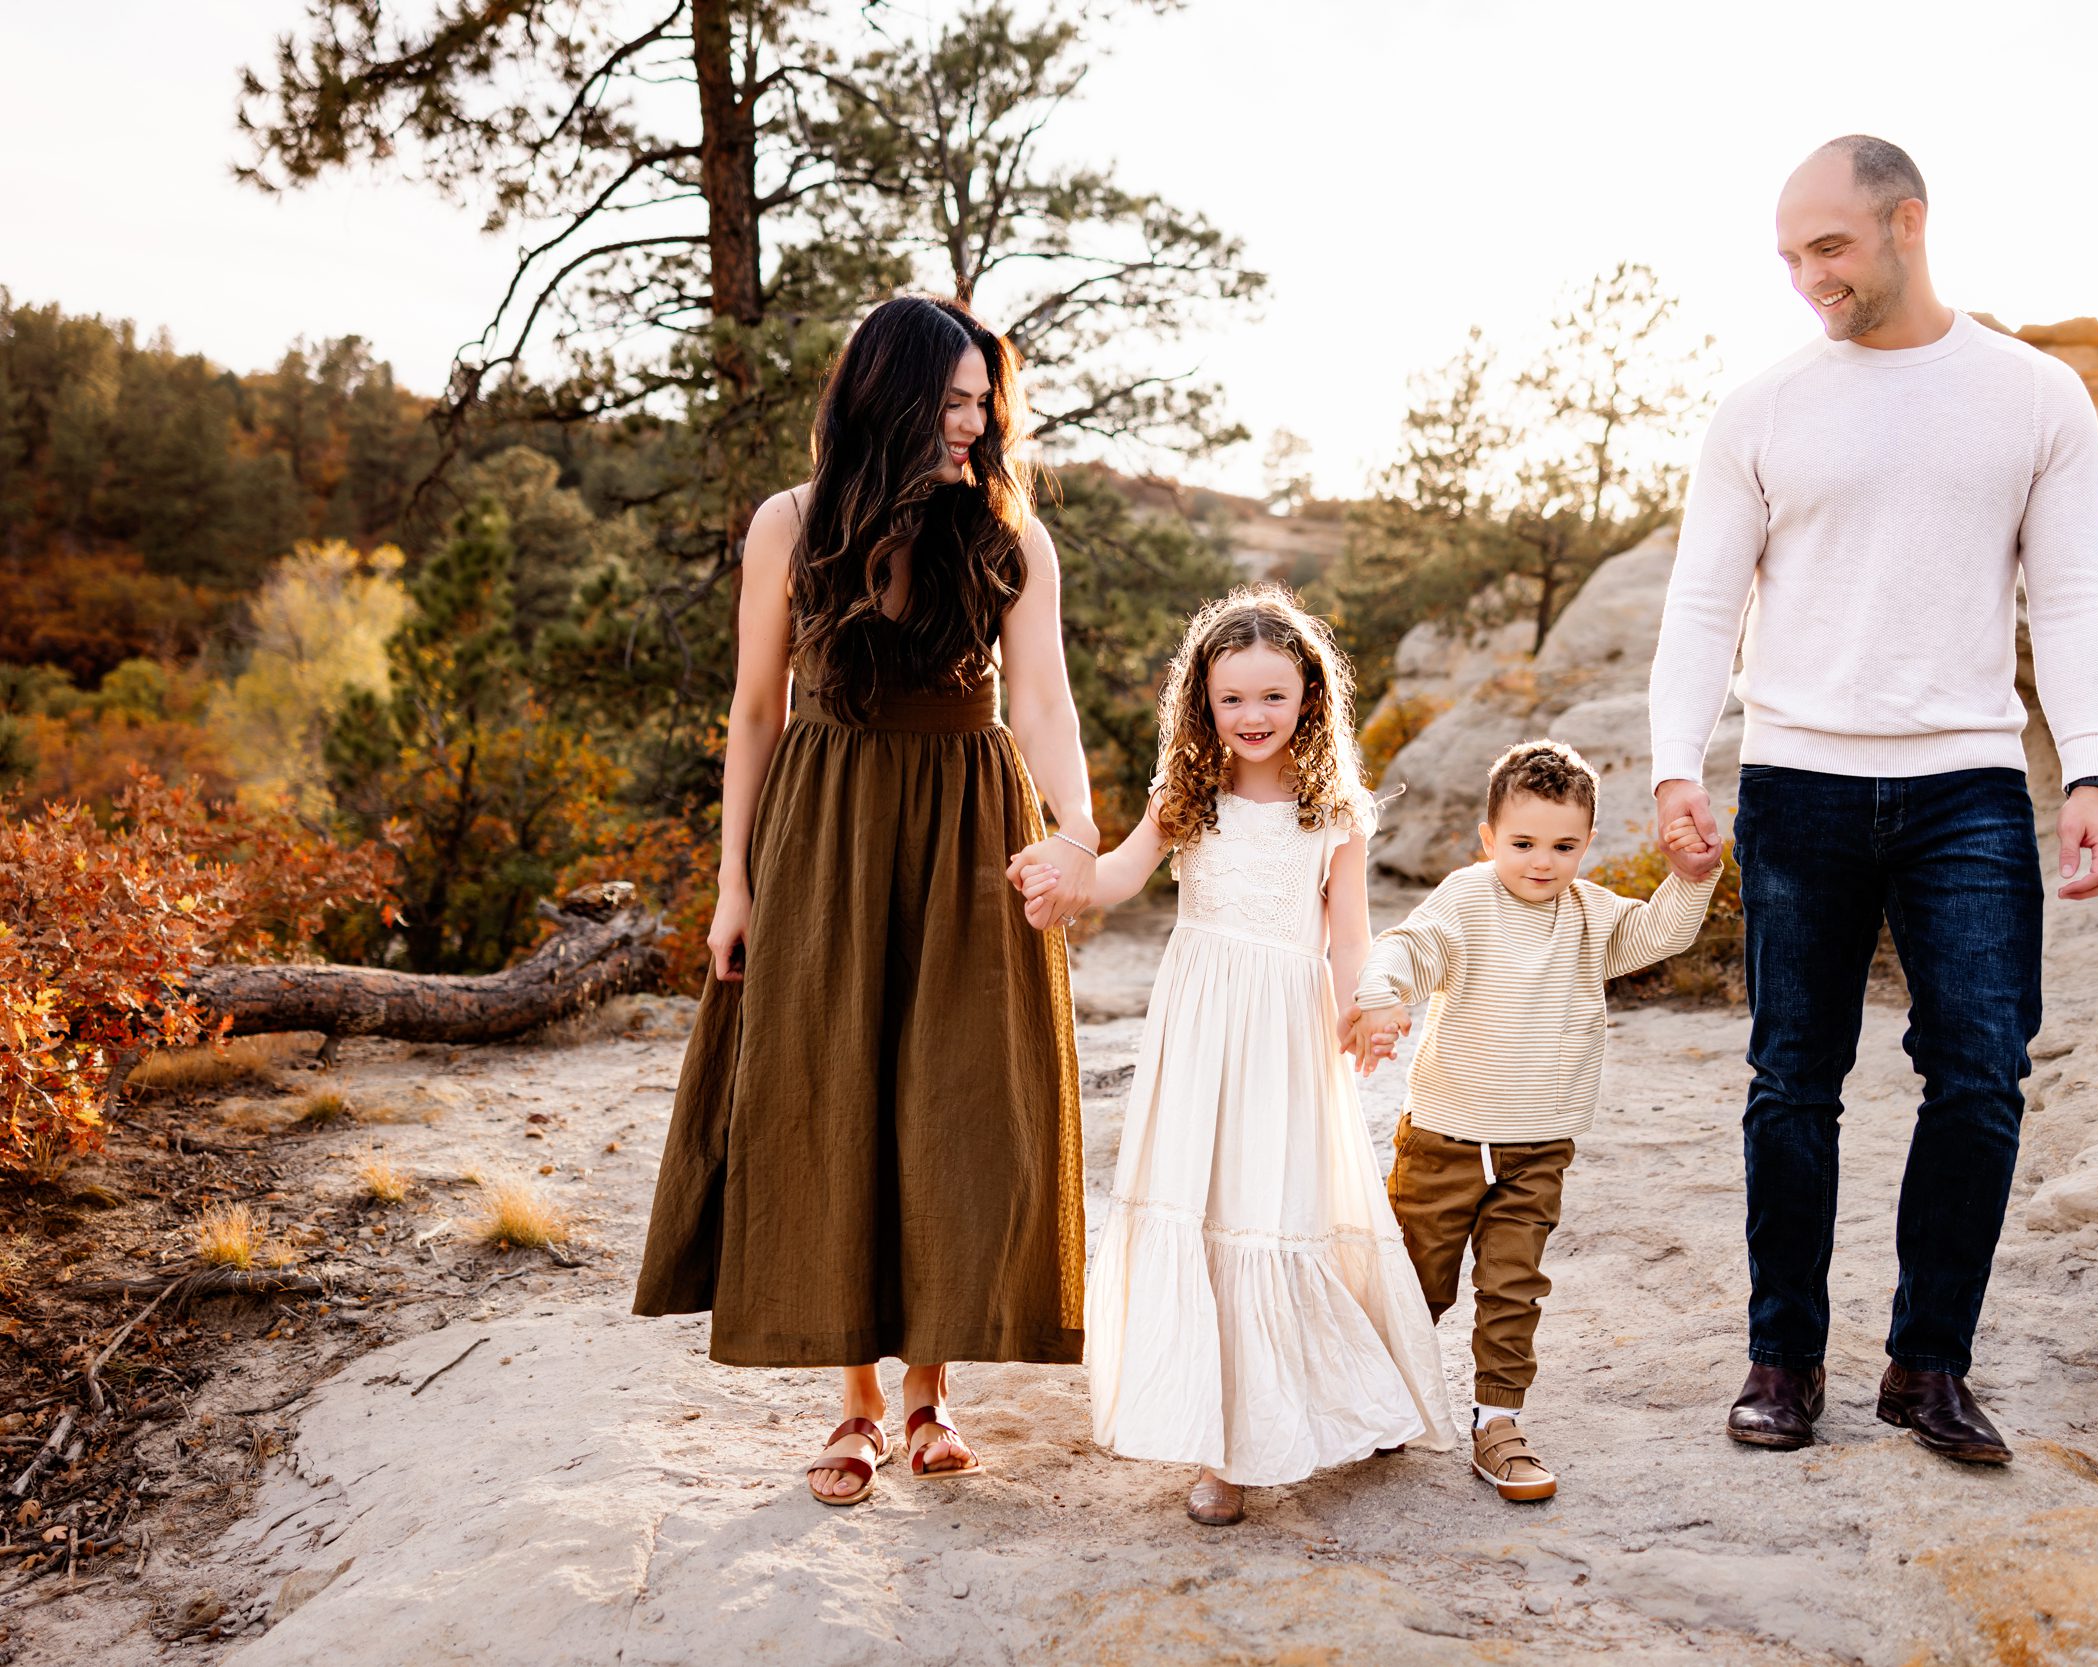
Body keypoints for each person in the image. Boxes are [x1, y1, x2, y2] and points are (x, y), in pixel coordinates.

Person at [1647, 136, 2098, 1464]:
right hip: (1797, 778)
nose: (1807, 278)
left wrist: (2092, 762)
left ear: (1908, 222)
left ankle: (1928, 1365)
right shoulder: (1762, 409)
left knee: (1980, 1071)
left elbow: (2074, 592)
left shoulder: (2034, 395)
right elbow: (1702, 601)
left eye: (1831, 248)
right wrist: (1678, 763)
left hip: (1967, 785)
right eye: (1789, 257)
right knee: (1793, 1076)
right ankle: (1781, 1358)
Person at [632, 294, 1100, 1507]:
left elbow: (1041, 705)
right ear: (888, 396)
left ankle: (934, 1394)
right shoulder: (789, 526)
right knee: (833, 1089)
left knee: (951, 1095)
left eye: (982, 403)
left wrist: (1082, 834)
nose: (971, 424)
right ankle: (853, 1404)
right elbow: (753, 713)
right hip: (826, 825)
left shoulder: (1008, 536)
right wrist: (733, 883)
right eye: (950, 402)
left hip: (968, 825)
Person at [1012, 585, 1456, 1526]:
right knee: (1208, 1213)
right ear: (1203, 704)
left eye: (1273, 697)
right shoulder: (1187, 798)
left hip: (1288, 1036)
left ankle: (1319, 1407)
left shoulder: (1331, 810)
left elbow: (1348, 937)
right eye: (1232, 699)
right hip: (1200, 1031)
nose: (1253, 717)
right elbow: (1122, 876)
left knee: (1276, 1211)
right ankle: (1222, 1447)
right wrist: (1065, 879)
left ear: (1309, 699)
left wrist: (1365, 1010)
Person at [1344, 741, 1719, 1500]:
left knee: (1514, 1288)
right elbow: (1411, 948)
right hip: (1445, 1139)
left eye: (1563, 845)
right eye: (1522, 843)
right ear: (1489, 839)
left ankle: (1498, 1421)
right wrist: (1383, 994)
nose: (1542, 863)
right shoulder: (1467, 899)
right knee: (1419, 1283)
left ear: (1587, 843)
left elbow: (1658, 934)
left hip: (1538, 1146)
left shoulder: (1588, 913)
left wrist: (1690, 880)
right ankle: (1381, 1397)